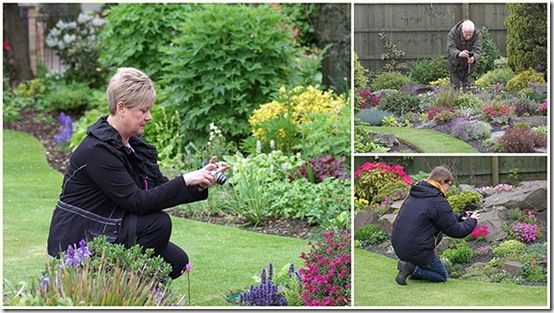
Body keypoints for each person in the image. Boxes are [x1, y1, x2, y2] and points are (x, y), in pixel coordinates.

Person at [47, 67, 228, 279]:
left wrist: (198, 181)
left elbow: (158, 188)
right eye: (143, 110)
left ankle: (133, 289)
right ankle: (114, 288)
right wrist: (186, 179)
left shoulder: (132, 145)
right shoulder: (97, 151)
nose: (149, 117)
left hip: (110, 223)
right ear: (121, 107)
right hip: (83, 234)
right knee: (158, 223)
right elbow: (137, 201)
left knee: (177, 262)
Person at [391, 166, 480, 285]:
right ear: (443, 182)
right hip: (416, 250)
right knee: (441, 275)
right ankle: (411, 268)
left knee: (437, 231)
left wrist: (460, 216)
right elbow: (457, 231)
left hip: (398, 245)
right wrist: (472, 221)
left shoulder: (416, 193)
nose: (449, 189)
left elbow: (438, 217)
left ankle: (409, 264)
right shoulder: (437, 201)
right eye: (449, 185)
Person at [447, 20, 482, 90]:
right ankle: (455, 100)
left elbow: (478, 50)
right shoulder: (453, 33)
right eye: (466, 34)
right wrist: (459, 53)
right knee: (455, 86)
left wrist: (474, 57)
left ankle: (467, 98)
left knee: (467, 87)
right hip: (455, 63)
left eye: (470, 34)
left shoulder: (477, 34)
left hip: (468, 65)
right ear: (462, 31)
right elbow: (450, 48)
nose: (468, 37)